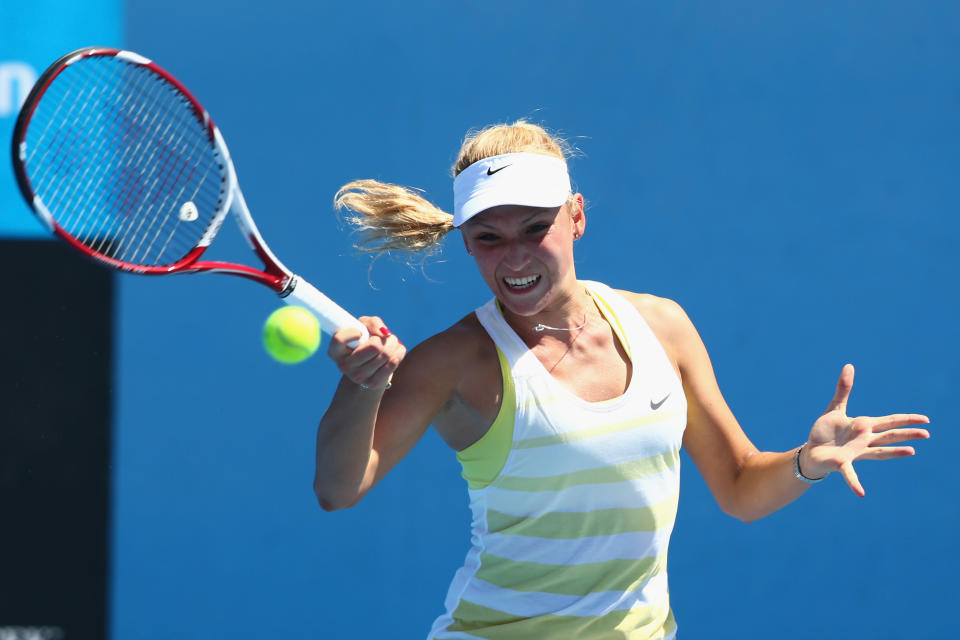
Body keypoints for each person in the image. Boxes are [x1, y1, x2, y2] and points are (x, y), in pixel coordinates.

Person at [313, 121, 930, 640]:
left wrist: (806, 461)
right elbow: (339, 489)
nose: (516, 257)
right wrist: (361, 385)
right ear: (468, 246)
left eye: (535, 228)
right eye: (489, 239)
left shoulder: (662, 326)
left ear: (576, 216)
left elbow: (741, 486)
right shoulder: (453, 362)